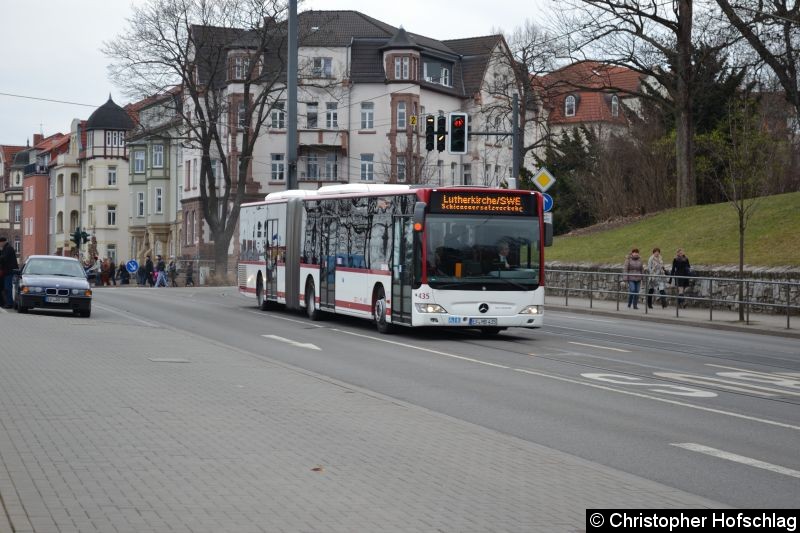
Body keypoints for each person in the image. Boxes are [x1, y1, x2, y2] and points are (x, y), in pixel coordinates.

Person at [0, 236, 19, 308]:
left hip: (9, 272)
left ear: (3, 242)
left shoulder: (8, 248)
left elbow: (4, 258)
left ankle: (9, 303)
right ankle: (7, 302)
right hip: (7, 272)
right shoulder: (6, 248)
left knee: (8, 288)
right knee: (6, 288)